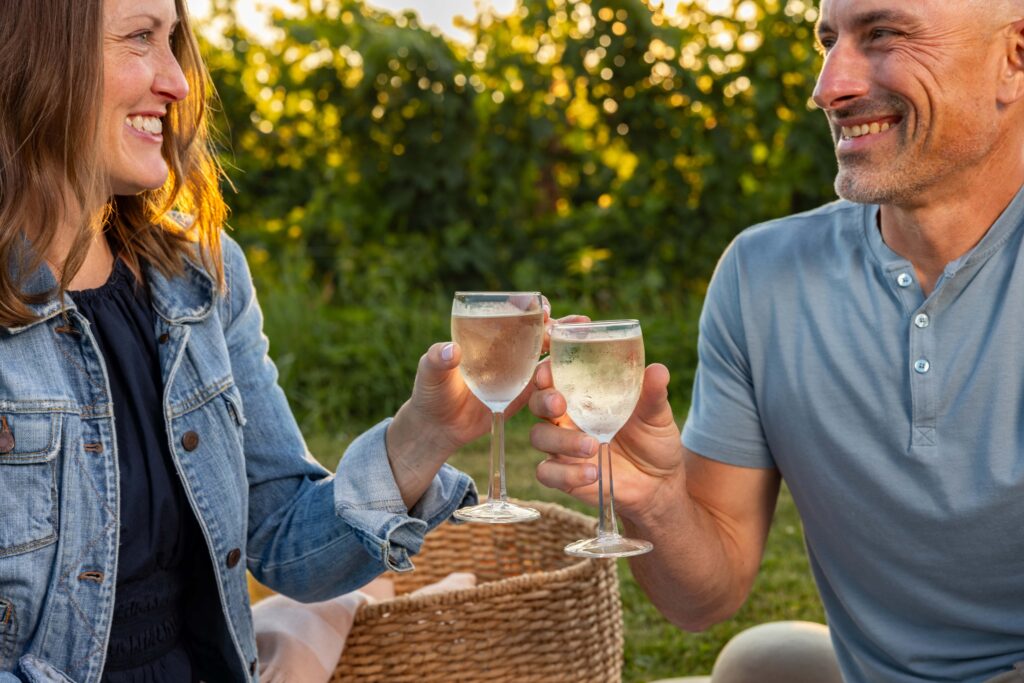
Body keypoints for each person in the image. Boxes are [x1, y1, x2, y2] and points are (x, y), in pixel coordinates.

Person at [0, 0, 534, 680]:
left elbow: (285, 540)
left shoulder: (197, 278)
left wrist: (422, 436)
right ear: (37, 53)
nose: (178, 82)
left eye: (175, 41)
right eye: (140, 38)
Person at [531, 0, 1024, 681]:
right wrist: (656, 500)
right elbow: (705, 595)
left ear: (1014, 56)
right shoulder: (763, 275)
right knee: (754, 660)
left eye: (882, 34)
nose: (830, 87)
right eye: (828, 41)